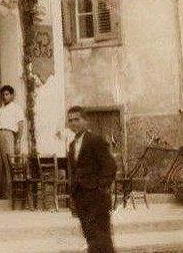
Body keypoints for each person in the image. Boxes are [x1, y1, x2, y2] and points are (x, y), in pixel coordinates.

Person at [67, 106, 117, 253]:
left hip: (97, 197)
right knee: (90, 236)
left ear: (85, 121)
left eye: (77, 119)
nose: (73, 123)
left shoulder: (95, 140)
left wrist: (101, 188)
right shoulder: (72, 145)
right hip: (81, 197)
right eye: (70, 120)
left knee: (102, 237)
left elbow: (110, 166)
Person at [0, 85, 24, 199]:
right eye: (3, 94)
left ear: (12, 95)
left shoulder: (16, 108)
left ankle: (10, 193)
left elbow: (20, 126)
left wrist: (18, 141)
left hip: (9, 134)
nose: (5, 97)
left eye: (7, 94)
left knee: (9, 163)